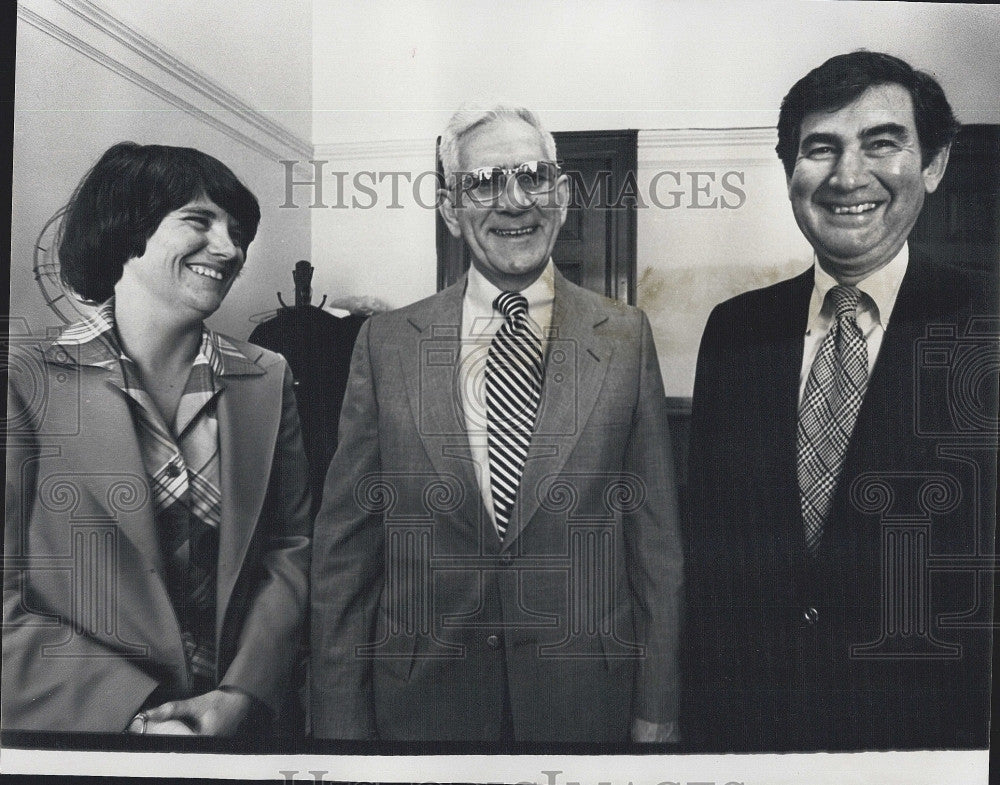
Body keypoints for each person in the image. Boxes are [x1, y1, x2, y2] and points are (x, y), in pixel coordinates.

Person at [310, 105, 683, 744]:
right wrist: (339, 722)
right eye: (483, 184)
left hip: (584, 701)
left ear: (561, 196)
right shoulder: (386, 343)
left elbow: (655, 544)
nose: (514, 202)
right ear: (452, 209)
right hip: (422, 709)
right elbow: (346, 552)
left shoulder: (624, 338)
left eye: (533, 177)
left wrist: (659, 706)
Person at [683, 51, 997, 751]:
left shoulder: (986, 324)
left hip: (926, 742)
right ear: (789, 171)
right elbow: (708, 558)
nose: (848, 175)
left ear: (936, 163)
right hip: (752, 736)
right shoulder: (735, 332)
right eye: (820, 148)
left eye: (882, 142)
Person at [3, 142, 312, 736]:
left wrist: (242, 694)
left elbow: (290, 549)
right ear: (126, 231)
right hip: (75, 729)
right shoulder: (23, 379)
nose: (230, 248)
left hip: (236, 724)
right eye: (199, 221)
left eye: (237, 230)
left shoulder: (267, 375)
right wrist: (130, 713)